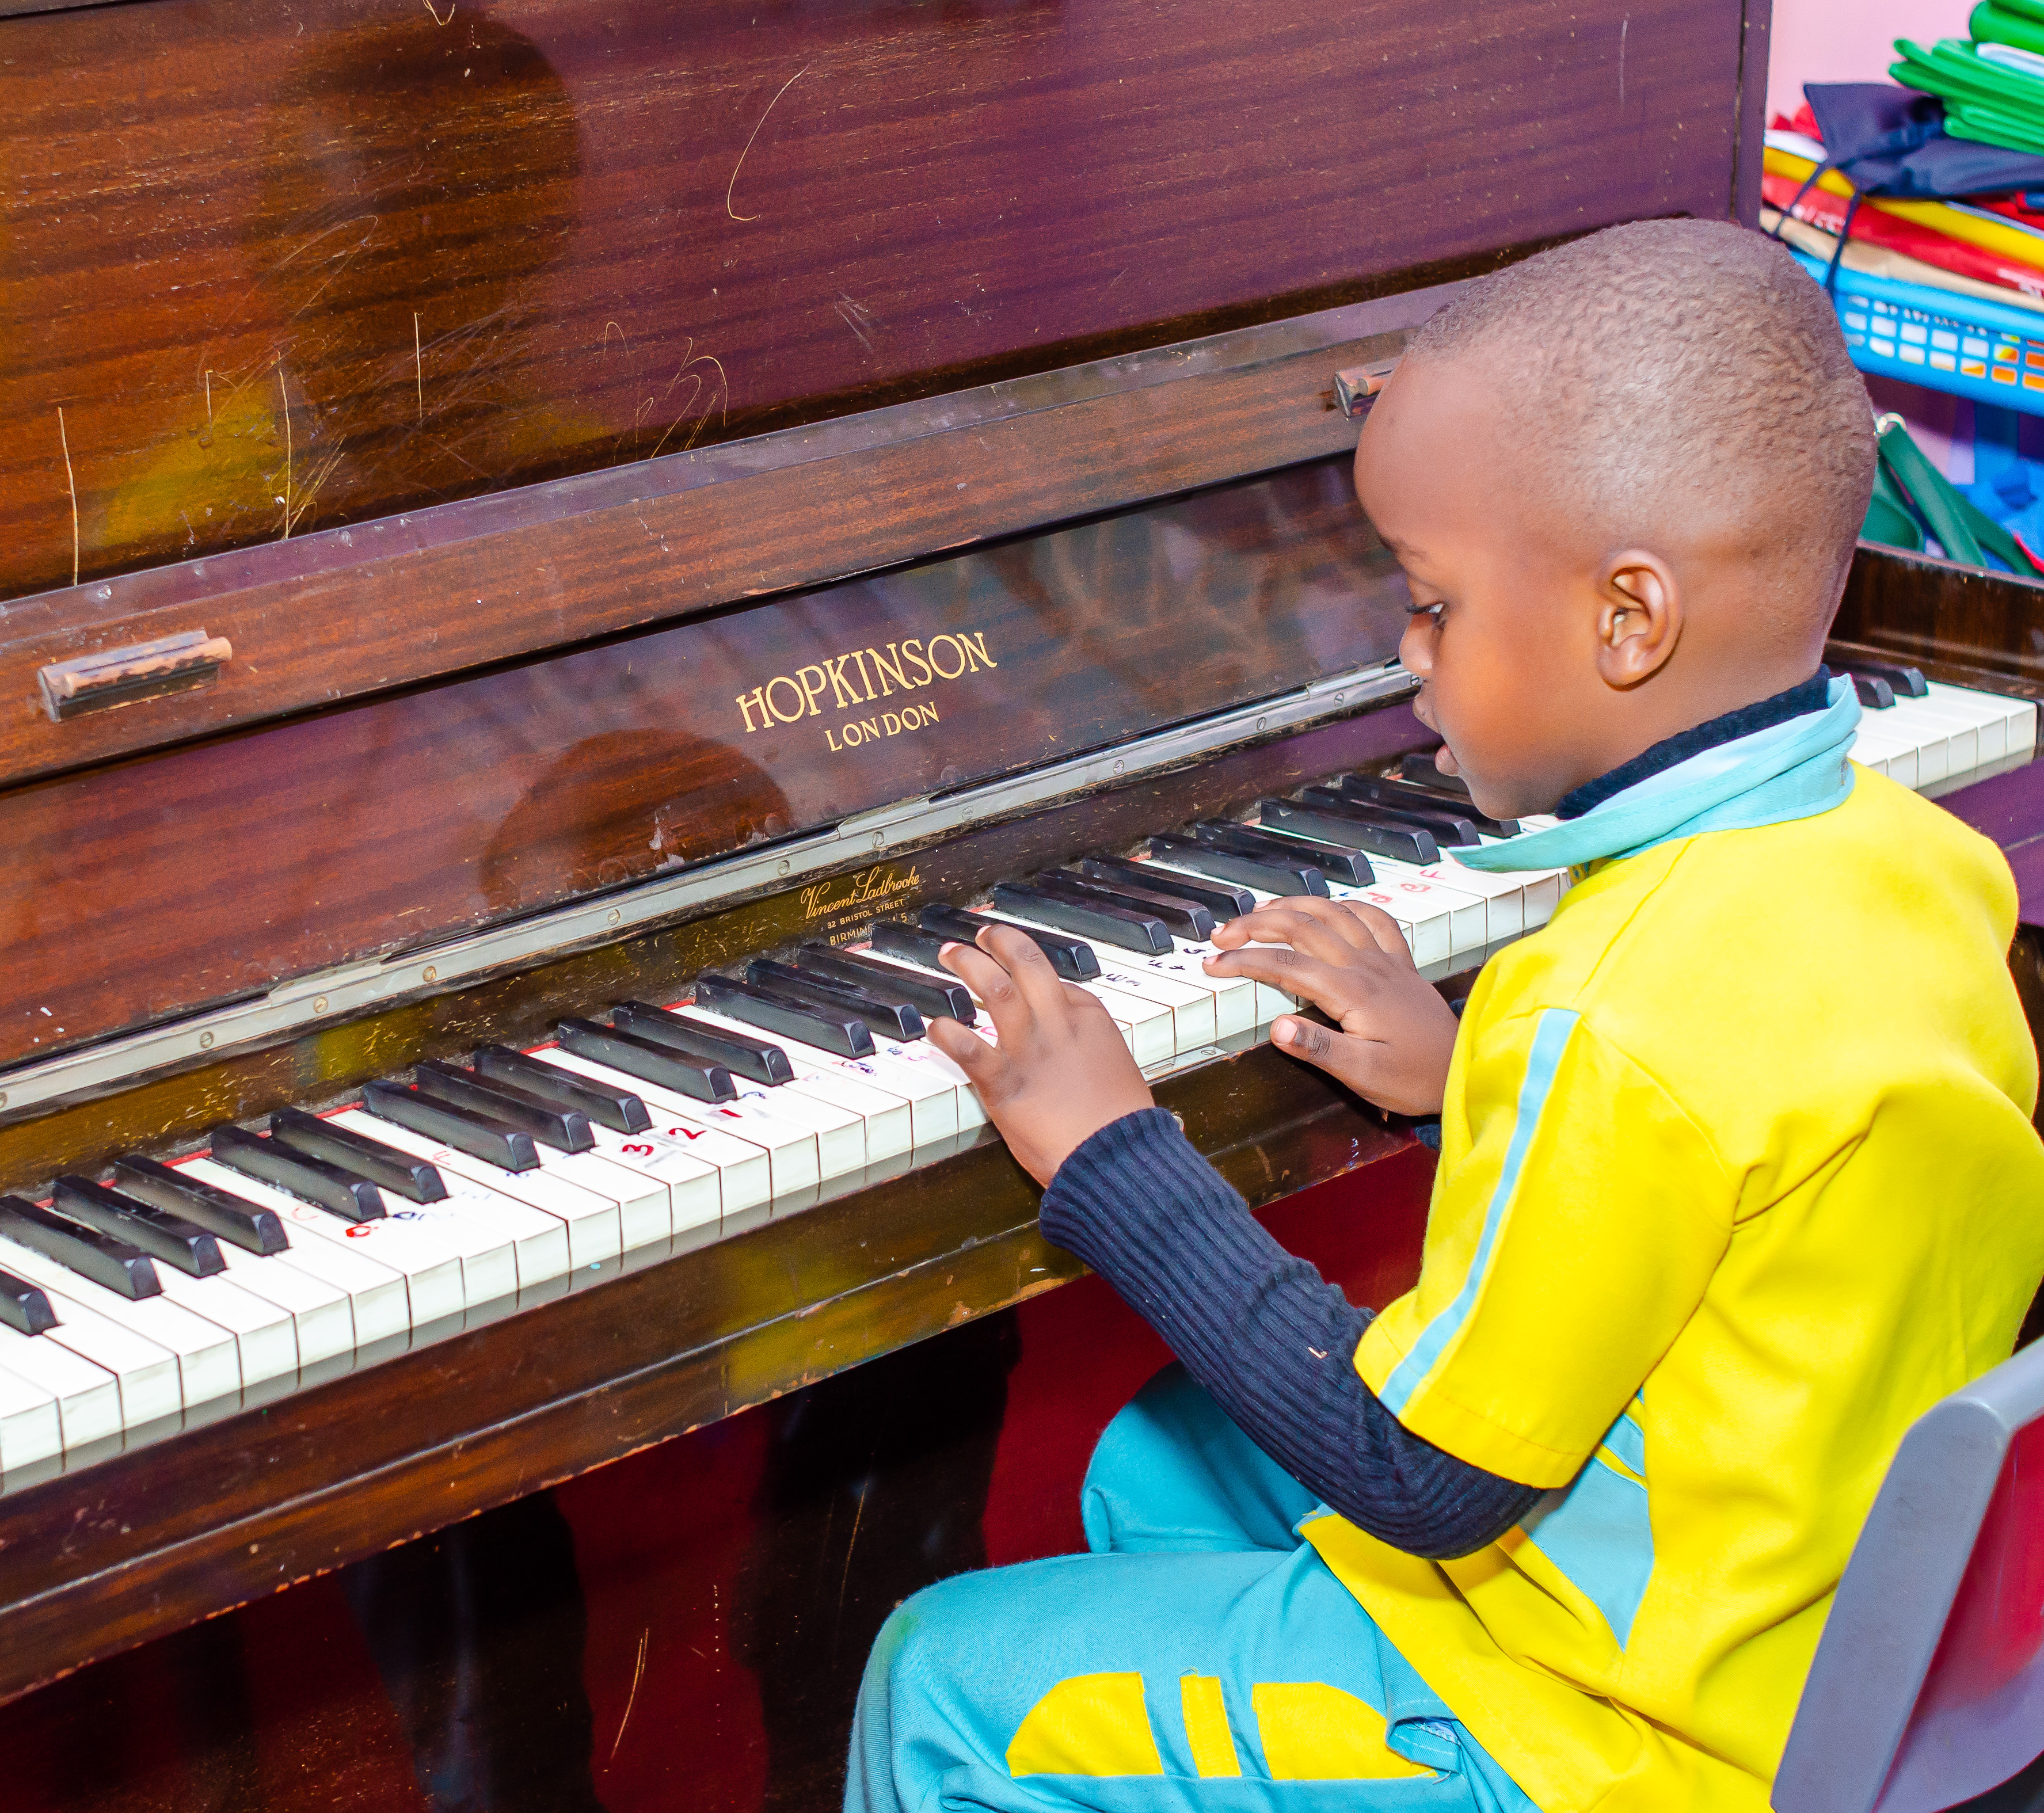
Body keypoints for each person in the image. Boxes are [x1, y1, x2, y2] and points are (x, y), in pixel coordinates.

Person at [846, 218, 2044, 1812]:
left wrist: (1110, 1148)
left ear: (1627, 621)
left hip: (1618, 1735)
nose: (1403, 664)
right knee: (1160, 1458)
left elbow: (1416, 1474)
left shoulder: (1605, 1013)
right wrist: (1464, 1064)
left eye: (1430, 605)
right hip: (1805, 1596)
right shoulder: (1918, 863)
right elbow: (1760, 1132)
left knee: (939, 1677)